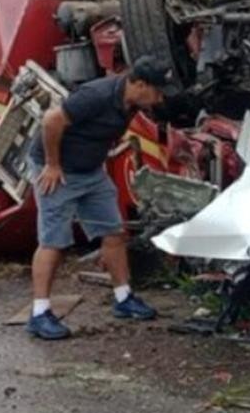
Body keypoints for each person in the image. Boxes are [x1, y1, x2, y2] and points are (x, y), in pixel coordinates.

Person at [23, 56, 172, 340]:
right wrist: (53, 165)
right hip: (59, 171)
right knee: (54, 241)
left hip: (91, 171)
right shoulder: (97, 95)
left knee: (114, 232)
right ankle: (40, 313)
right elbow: (51, 121)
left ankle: (123, 297)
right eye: (157, 91)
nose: (160, 98)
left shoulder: (132, 103)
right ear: (140, 85)